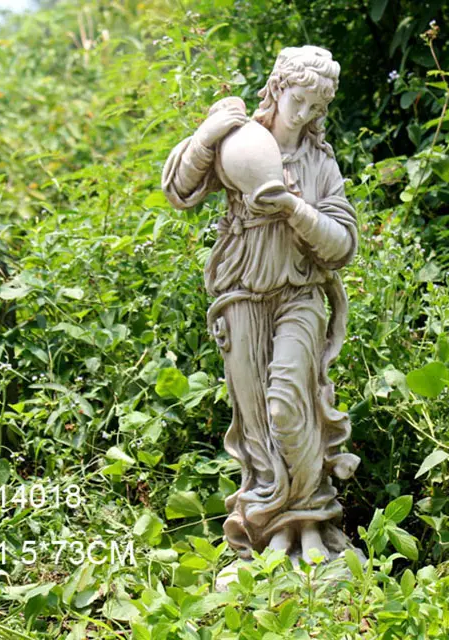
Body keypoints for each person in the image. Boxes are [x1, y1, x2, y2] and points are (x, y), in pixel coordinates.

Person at [161, 45, 360, 563]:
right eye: (299, 101)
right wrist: (206, 136)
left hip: (299, 292)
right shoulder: (238, 141)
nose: (305, 116)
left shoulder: (319, 162)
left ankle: (313, 525)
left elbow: (342, 246)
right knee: (255, 422)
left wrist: (295, 209)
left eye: (318, 109)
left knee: (290, 406)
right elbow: (180, 191)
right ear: (276, 87)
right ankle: (274, 532)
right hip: (241, 291)